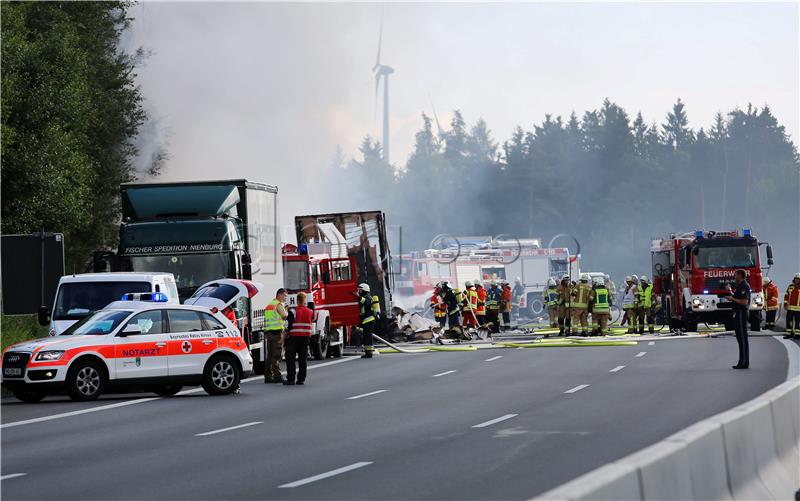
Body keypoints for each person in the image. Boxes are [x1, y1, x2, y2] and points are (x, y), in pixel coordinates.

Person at [282, 292, 313, 385]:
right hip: (306, 338)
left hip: (294, 337)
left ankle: (291, 379)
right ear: (304, 301)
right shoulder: (310, 311)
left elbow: (288, 325)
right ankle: (301, 379)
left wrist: (283, 337)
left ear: (297, 301)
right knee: (302, 359)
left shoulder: (293, 311)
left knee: (290, 357)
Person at [724, 269, 751, 369]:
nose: (734, 277)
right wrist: (730, 291)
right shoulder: (740, 286)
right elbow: (737, 297)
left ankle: (743, 362)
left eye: (735, 275)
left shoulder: (744, 286)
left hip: (741, 314)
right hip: (738, 314)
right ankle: (743, 361)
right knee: (740, 338)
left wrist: (732, 299)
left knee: (742, 338)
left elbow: (744, 302)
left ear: (740, 275)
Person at [263, 288, 288, 383]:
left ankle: (268, 376)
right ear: (280, 295)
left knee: (270, 356)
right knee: (277, 355)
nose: (285, 298)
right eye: (285, 296)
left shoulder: (270, 304)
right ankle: (277, 376)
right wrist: (287, 311)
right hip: (277, 333)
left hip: (269, 333)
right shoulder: (278, 305)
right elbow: (285, 316)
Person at [356, 283, 380, 358]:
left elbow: (366, 302)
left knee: (368, 337)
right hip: (366, 320)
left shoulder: (368, 297)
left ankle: (369, 353)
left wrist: (358, 297)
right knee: (366, 337)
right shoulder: (364, 297)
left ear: (364, 290)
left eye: (360, 290)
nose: (359, 292)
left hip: (369, 320)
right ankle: (367, 352)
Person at [784, 273, 800, 339]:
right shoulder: (790, 286)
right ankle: (789, 334)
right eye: (796, 279)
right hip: (790, 308)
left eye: (798, 279)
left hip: (798, 309)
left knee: (798, 323)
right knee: (789, 322)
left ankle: (797, 335)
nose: (797, 280)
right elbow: (786, 296)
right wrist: (785, 304)